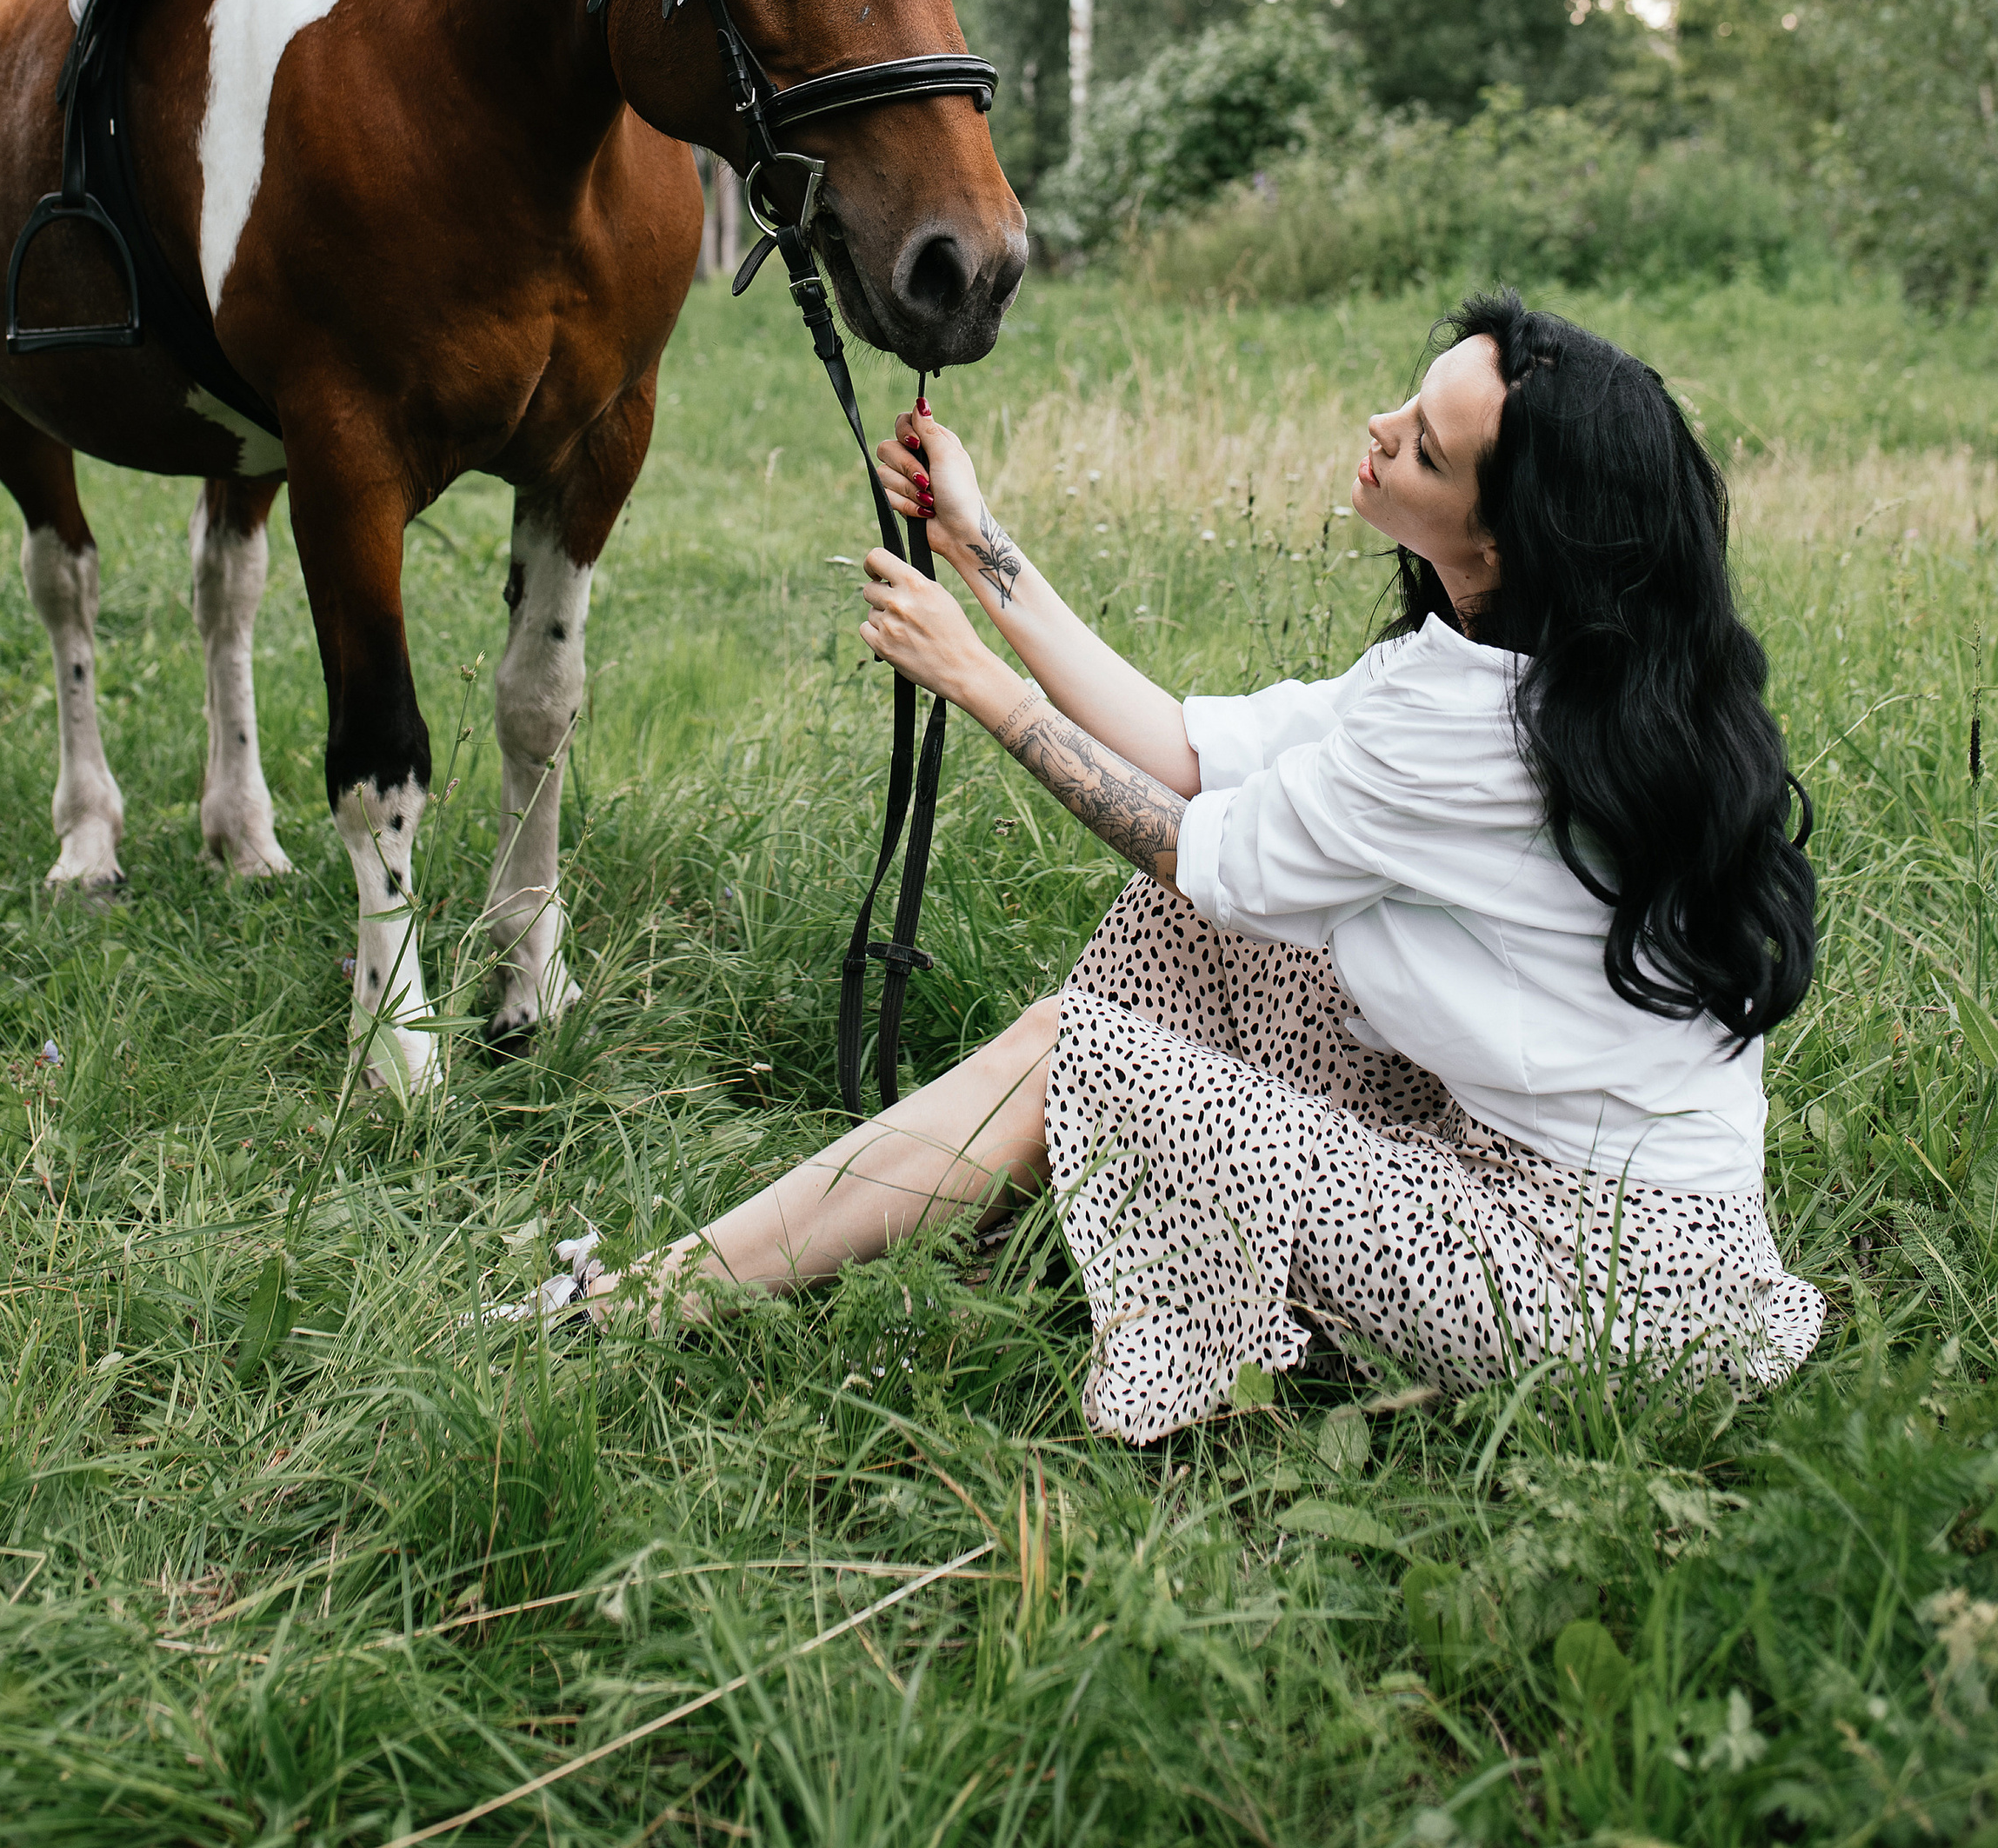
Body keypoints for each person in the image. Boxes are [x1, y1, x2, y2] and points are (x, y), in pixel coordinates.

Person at [571, 291, 1823, 1439]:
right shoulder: (1520, 672)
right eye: (1412, 399)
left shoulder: (1480, 730)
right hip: (1582, 1210)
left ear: (1505, 546)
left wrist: (982, 687)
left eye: (1427, 450)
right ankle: (999, 1175)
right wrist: (977, 539)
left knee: (1090, 1031)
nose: (1380, 431)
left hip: (1587, 1289)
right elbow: (1188, 747)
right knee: (1196, 943)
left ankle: (646, 1302)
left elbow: (1190, 846)